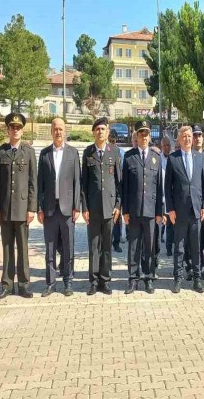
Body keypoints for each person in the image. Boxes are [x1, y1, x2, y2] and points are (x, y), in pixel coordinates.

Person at [0, 113, 37, 299]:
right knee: (7, 247)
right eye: (12, 127)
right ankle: (7, 285)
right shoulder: (1, 152)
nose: (15, 130)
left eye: (18, 127)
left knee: (23, 248)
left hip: (22, 208)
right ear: (8, 130)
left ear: (22, 130)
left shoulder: (28, 152)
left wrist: (32, 208)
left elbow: (33, 182)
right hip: (5, 208)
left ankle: (24, 285)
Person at [38, 117, 81, 297]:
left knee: (68, 247)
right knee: (50, 248)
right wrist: (39, 208)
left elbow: (77, 181)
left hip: (67, 208)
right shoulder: (44, 154)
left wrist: (77, 206)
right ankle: (50, 283)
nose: (58, 132)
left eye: (61, 129)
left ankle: (68, 282)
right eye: (55, 129)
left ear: (65, 131)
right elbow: (40, 183)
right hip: (49, 208)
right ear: (51, 131)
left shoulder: (73, 153)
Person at [81, 117, 122, 295]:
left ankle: (105, 280)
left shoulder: (114, 152)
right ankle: (93, 280)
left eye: (103, 129)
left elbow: (119, 182)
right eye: (97, 129)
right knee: (93, 246)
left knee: (106, 247)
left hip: (110, 208)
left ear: (107, 132)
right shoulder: (88, 152)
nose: (100, 132)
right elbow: (83, 184)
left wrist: (118, 205)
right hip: (93, 208)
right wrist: (84, 208)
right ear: (93, 132)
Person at [122, 120, 163, 294]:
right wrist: (125, 210)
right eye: (141, 134)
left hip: (151, 211)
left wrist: (160, 212)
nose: (144, 137)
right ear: (136, 136)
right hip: (134, 210)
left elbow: (159, 187)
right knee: (134, 246)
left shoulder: (156, 157)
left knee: (150, 246)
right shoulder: (129, 157)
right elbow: (124, 187)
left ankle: (149, 277)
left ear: (149, 136)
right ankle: (133, 279)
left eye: (146, 134)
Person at [165, 126, 204, 293]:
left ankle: (197, 279)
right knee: (179, 247)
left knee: (196, 246)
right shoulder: (173, 158)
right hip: (179, 210)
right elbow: (167, 187)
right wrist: (170, 209)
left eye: (189, 136)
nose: (187, 139)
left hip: (196, 210)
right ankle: (178, 278)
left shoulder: (199, 157)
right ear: (179, 139)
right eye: (184, 136)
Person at [190, 124, 204, 281]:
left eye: (200, 135)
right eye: (195, 135)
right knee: (189, 238)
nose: (197, 138)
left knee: (203, 238)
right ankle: (189, 266)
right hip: (190, 206)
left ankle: (202, 266)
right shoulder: (187, 155)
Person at [110, 129, 126, 253]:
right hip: (108, 189)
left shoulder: (121, 153)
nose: (112, 142)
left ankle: (116, 242)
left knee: (117, 217)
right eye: (110, 140)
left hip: (118, 188)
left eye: (113, 140)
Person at [159, 136, 174, 257]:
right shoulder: (158, 159)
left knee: (171, 223)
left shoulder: (174, 158)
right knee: (162, 222)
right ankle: (162, 247)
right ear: (161, 146)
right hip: (161, 196)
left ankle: (170, 246)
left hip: (172, 195)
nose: (166, 148)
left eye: (168, 145)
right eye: (164, 145)